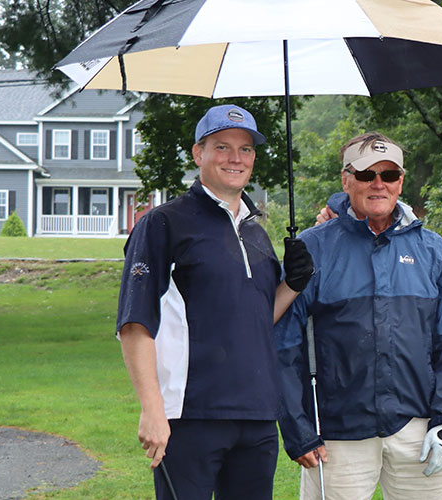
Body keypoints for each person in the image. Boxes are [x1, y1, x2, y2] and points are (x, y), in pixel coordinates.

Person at [115, 104, 314, 500]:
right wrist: (152, 408)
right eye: (222, 147)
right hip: (191, 415)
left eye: (245, 150)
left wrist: (292, 284)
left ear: (254, 158)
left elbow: (259, 319)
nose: (235, 158)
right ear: (197, 153)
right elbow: (134, 324)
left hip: (257, 416)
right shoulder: (164, 223)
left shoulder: (256, 232)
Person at [275, 132, 442, 500]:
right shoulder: (313, 248)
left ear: (401, 181)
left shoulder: (432, 249)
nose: (378, 184)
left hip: (419, 429)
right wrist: (297, 427)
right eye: (366, 175)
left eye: (390, 175)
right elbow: (285, 346)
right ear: (346, 179)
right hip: (337, 434)